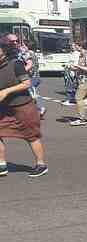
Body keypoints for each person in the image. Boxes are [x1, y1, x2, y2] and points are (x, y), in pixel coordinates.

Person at [0, 38, 47, 177]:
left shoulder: (16, 64)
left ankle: (41, 164)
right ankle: (2, 165)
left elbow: (26, 83)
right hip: (4, 108)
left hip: (23, 106)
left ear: (4, 50)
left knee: (31, 135)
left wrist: (6, 91)